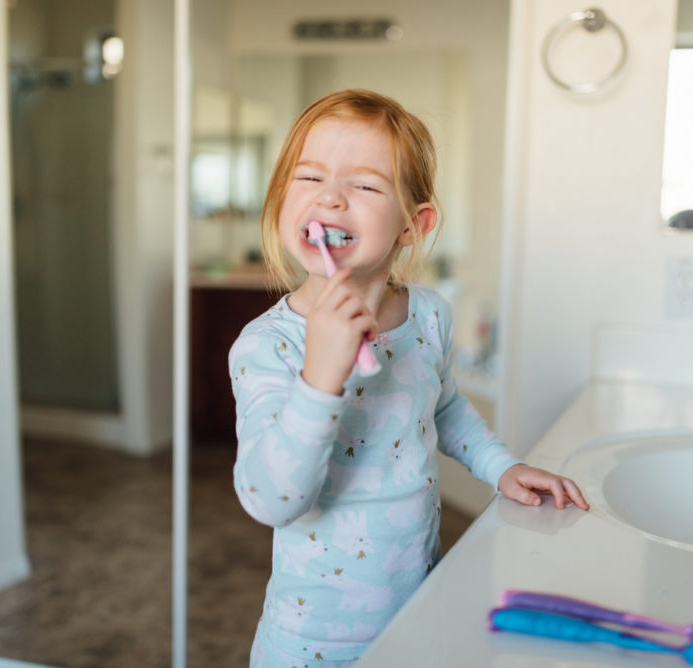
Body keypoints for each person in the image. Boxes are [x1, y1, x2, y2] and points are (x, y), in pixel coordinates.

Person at [228, 89, 589, 667]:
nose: (332, 198)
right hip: (314, 645)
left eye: (366, 185)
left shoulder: (428, 316)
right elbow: (271, 499)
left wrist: (502, 467)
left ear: (412, 225)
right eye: (310, 178)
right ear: (280, 202)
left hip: (421, 609)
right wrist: (320, 375)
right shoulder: (269, 346)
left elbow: (443, 409)